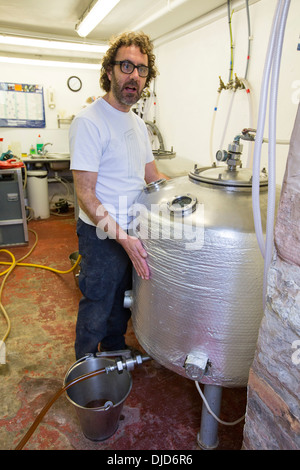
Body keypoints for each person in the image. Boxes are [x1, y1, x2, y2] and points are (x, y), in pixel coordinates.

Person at [69, 31, 167, 360]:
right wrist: (122, 238)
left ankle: (113, 348)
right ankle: (83, 364)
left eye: (142, 70)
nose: (134, 76)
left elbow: (152, 177)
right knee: (98, 301)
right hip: (102, 232)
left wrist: (192, 196)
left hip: (133, 228)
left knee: (124, 298)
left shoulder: (138, 125)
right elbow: (85, 195)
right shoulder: (89, 122)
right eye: (126, 66)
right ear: (109, 71)